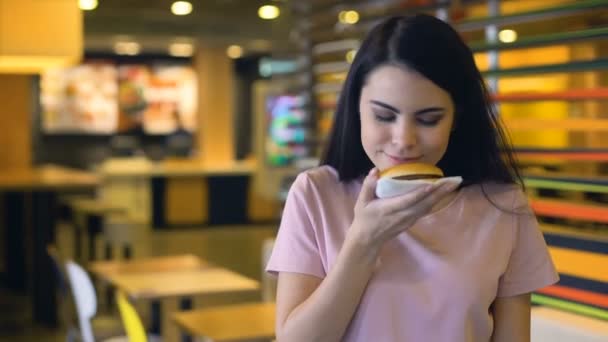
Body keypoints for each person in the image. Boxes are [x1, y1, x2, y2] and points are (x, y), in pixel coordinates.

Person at [266, 14, 559, 342]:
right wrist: (364, 240)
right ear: (357, 108)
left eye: (429, 119)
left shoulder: (502, 206)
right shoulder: (317, 194)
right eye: (384, 116)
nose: (403, 139)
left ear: (456, 117)